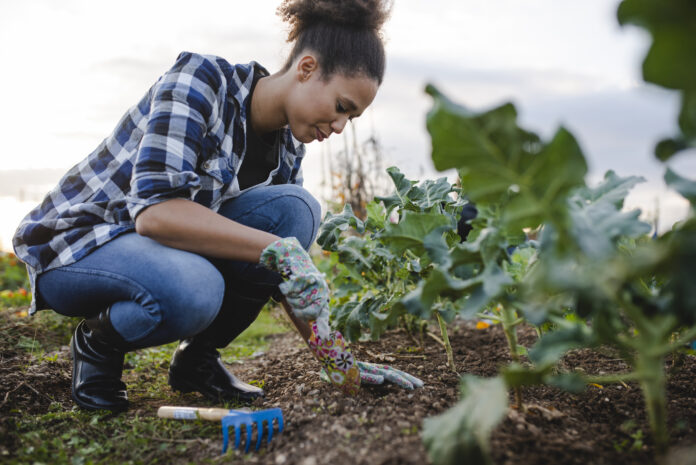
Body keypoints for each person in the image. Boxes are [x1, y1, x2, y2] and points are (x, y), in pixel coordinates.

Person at [12, 0, 422, 412]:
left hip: (152, 252)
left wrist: (336, 359)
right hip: (77, 248)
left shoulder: (288, 148)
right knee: (197, 289)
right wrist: (277, 250)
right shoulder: (202, 80)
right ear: (307, 69)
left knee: (296, 210)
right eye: (341, 107)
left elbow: (283, 272)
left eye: (350, 119)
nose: (339, 127)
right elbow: (156, 213)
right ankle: (97, 342)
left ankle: (197, 359)